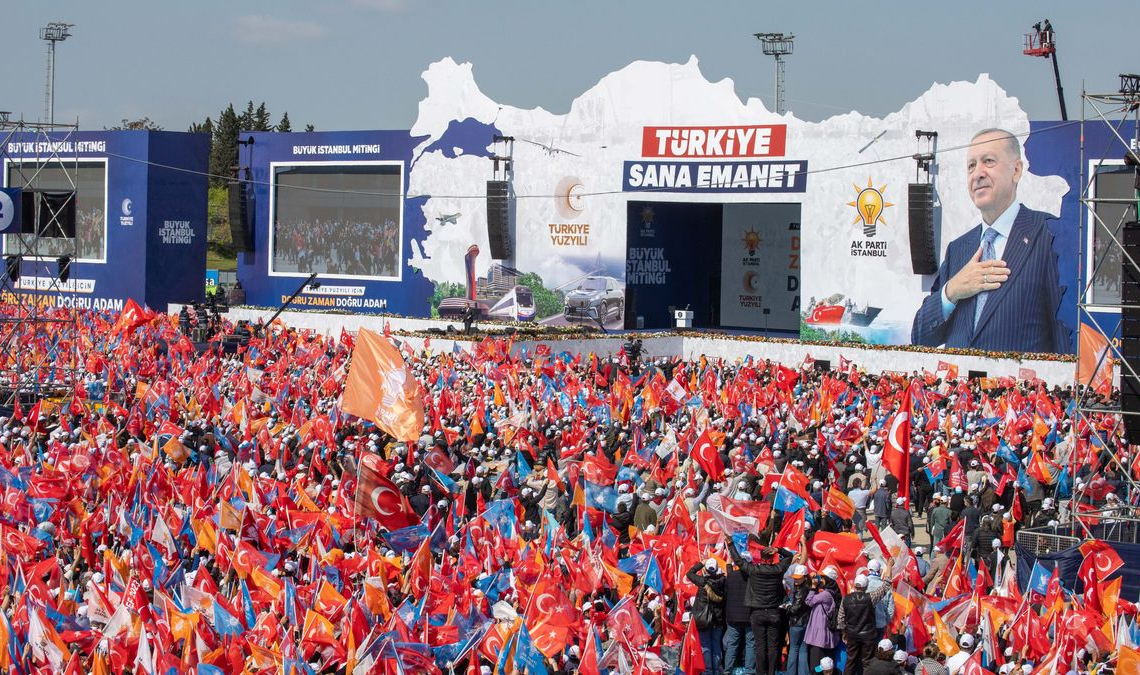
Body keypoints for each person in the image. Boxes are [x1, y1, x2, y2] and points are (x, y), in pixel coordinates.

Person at [911, 128, 1069, 352]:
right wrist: (952, 290)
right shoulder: (958, 249)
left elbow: (1065, 337)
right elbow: (920, 337)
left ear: (1016, 170)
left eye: (988, 161)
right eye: (971, 166)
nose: (978, 173)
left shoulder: (1049, 235)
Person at [728, 541, 794, 675]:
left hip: (757, 612)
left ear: (761, 558)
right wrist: (778, 549)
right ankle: (771, 672)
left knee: (759, 646)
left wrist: (730, 544)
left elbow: (738, 560)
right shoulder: (778, 570)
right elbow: (789, 557)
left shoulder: (754, 570)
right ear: (772, 558)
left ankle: (760, 672)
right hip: (774, 612)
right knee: (773, 646)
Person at [838, 571, 893, 675]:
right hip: (868, 636)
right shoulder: (870, 598)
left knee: (850, 661)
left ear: (855, 585)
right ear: (866, 586)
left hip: (852, 635)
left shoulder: (846, 599)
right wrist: (889, 566)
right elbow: (885, 586)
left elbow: (840, 619)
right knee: (867, 662)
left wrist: (844, 633)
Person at [687, 559, 726, 674]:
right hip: (718, 618)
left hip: (704, 619)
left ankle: (708, 671)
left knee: (705, 646)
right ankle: (716, 670)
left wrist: (701, 563)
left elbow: (689, 574)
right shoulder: (724, 581)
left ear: (706, 569)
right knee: (716, 645)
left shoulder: (702, 581)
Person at [805, 567, 843, 671]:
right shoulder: (829, 593)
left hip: (819, 636)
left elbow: (808, 601)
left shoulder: (826, 595)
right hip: (823, 634)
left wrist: (813, 586)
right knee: (825, 664)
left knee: (816, 665)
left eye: (822, 578)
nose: (820, 579)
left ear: (828, 580)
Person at [723, 558, 756, 675]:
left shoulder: (731, 576)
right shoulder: (754, 576)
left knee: (732, 645)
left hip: (733, 616)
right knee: (750, 644)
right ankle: (749, 671)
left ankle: (727, 670)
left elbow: (726, 594)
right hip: (749, 615)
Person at [786, 564, 812, 675]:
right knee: (803, 650)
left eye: (798, 578)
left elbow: (794, 609)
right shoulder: (810, 588)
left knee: (794, 649)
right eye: (795, 578)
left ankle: (791, 673)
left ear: (805, 577)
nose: (796, 580)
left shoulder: (801, 590)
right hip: (806, 623)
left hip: (796, 623)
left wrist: (787, 607)